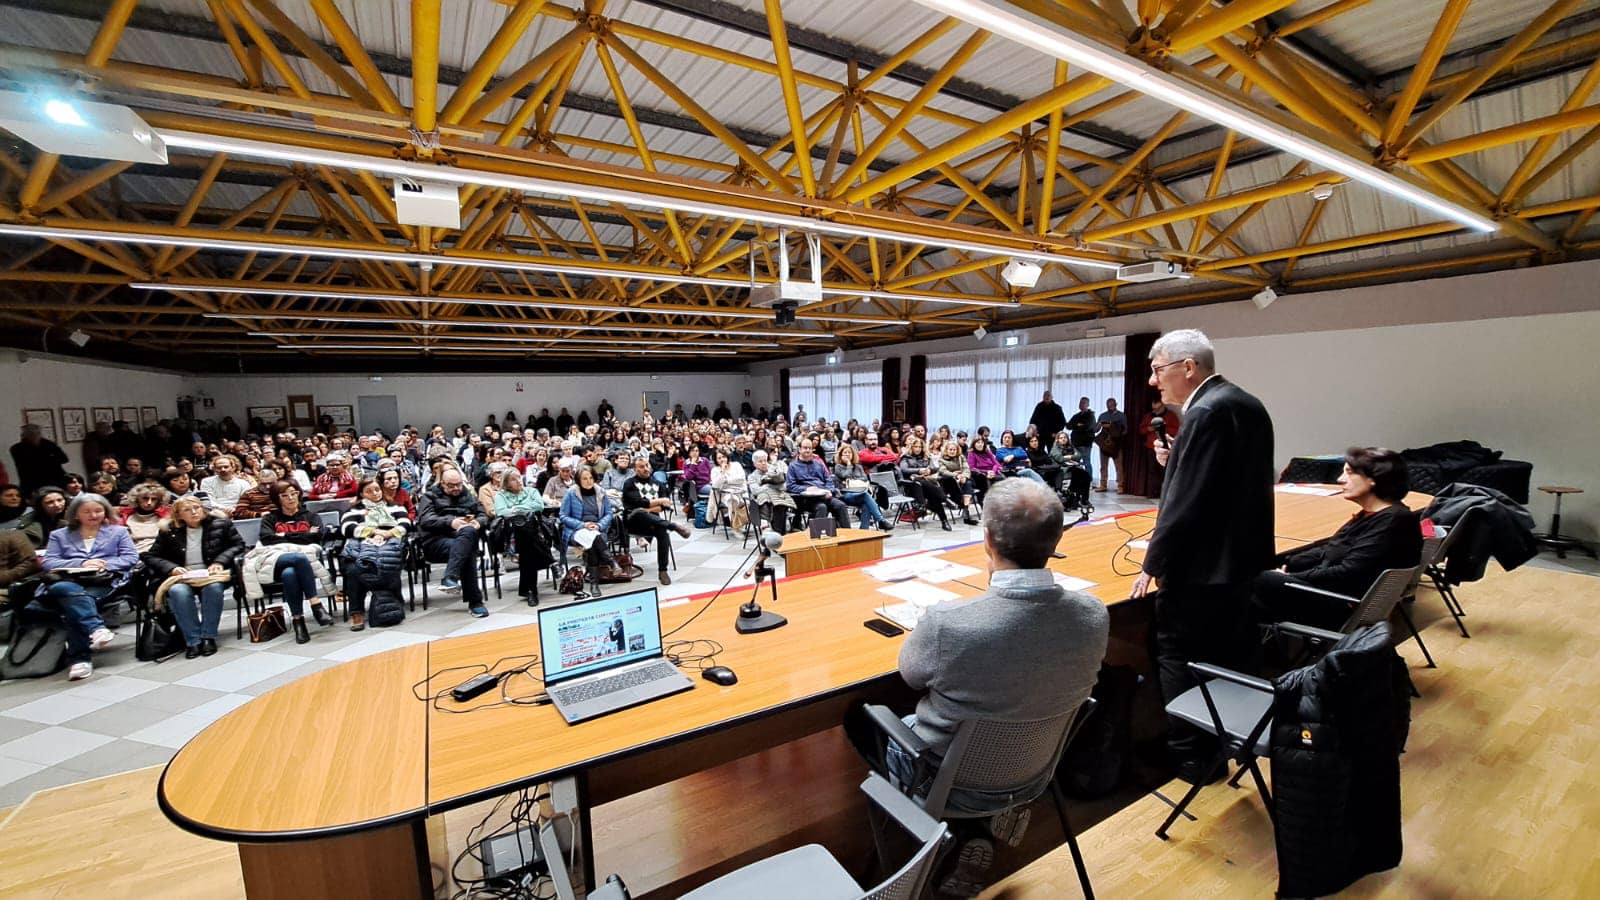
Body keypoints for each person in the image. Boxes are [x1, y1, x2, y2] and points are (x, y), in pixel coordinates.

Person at [843, 478, 1108, 889]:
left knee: (861, 714)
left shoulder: (950, 625)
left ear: (986, 539)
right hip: (1035, 771)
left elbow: (910, 675)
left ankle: (950, 832)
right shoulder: (1094, 614)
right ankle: (979, 829)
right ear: (1057, 538)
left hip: (947, 779)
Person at [1130, 329, 1275, 784]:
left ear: (1187, 366)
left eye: (1157, 370)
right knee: (1227, 656)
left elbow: (1187, 502)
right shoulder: (1245, 402)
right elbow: (1226, 480)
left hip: (1201, 570)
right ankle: (1224, 743)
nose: (1154, 382)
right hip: (1241, 562)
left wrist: (1152, 563)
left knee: (1177, 656)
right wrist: (1177, 459)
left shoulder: (1206, 412)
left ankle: (1190, 757)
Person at [1255, 448, 1423, 629]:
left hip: (1344, 604)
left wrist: (1290, 576)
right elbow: (1331, 550)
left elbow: (1347, 572)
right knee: (1257, 572)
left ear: (1373, 479)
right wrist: (1289, 562)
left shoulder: (1393, 521)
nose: (1340, 479)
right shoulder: (1378, 515)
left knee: (1254, 580)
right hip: (1337, 593)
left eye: (1349, 473)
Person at [35, 493, 138, 680]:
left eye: (98, 510)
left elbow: (130, 558)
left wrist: (103, 564)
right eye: (87, 511)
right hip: (68, 581)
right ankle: (95, 629)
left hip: (103, 581)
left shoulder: (118, 532)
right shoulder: (59, 535)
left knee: (72, 604)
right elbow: (49, 561)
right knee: (66, 591)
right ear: (76, 514)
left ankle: (80, 659)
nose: (93, 515)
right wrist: (81, 564)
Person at [144, 496, 244, 658]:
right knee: (178, 592)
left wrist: (220, 561)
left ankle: (208, 637)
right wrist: (172, 568)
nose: (194, 512)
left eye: (197, 508)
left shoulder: (220, 524)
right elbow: (151, 556)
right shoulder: (169, 531)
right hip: (183, 576)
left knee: (214, 588)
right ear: (178, 515)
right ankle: (193, 641)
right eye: (187, 510)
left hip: (211, 574)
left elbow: (239, 545)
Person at [257, 481, 336, 642]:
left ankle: (298, 621)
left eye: (293, 493)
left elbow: (318, 536)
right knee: (299, 558)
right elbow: (267, 539)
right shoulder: (270, 519)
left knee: (290, 574)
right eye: (284, 495)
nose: (290, 498)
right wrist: (304, 535)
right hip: (278, 559)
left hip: (301, 563)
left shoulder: (311, 516)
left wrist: (282, 537)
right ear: (277, 499)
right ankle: (315, 604)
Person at [339, 477, 412, 631]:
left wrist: (387, 534)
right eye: (369, 491)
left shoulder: (394, 507)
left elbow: (405, 525)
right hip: (361, 545)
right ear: (361, 493)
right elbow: (347, 528)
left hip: (389, 542)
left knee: (386, 561)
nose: (375, 494)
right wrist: (373, 531)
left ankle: (391, 603)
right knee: (354, 568)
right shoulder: (354, 510)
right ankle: (356, 611)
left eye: (377, 490)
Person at [417, 466, 490, 617]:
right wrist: (451, 522)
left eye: (459, 484)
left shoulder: (468, 495)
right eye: (451, 486)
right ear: (442, 483)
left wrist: (478, 522)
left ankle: (450, 577)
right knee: (467, 549)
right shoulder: (429, 496)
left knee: (468, 536)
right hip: (437, 541)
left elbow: (483, 514)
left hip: (462, 539)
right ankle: (475, 602)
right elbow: (425, 520)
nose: (457, 488)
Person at [623, 458, 693, 586]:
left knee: (662, 532)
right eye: (641, 467)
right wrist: (657, 502)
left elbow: (665, 505)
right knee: (639, 512)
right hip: (633, 522)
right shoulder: (629, 483)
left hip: (653, 522)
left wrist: (648, 508)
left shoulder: (658, 484)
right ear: (635, 469)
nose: (645, 469)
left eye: (647, 465)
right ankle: (673, 526)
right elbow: (637, 503)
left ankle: (663, 571)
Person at [559, 466, 619, 577]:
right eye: (585, 479)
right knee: (591, 537)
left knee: (592, 541)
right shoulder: (571, 493)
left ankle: (594, 580)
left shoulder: (601, 492)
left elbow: (609, 513)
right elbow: (563, 516)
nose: (589, 481)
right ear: (578, 480)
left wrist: (599, 525)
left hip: (597, 528)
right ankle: (611, 562)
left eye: (591, 478)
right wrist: (582, 524)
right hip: (577, 529)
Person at [786, 440, 852, 527]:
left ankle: (847, 534)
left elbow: (828, 480)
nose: (808, 450)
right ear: (799, 449)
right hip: (807, 499)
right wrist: (806, 489)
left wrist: (829, 491)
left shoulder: (818, 464)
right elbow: (790, 486)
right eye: (805, 448)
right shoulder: (793, 466)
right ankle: (817, 536)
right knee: (822, 507)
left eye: (810, 448)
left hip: (823, 495)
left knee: (841, 505)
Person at [897, 437, 953, 531]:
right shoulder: (905, 458)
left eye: (920, 447)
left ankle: (944, 521)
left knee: (934, 497)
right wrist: (919, 470)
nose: (918, 449)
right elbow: (904, 469)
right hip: (912, 487)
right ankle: (945, 499)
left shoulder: (926, 457)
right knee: (921, 482)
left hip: (927, 487)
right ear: (911, 447)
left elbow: (935, 468)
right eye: (915, 446)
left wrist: (929, 470)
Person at [833, 443, 890, 531]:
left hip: (859, 492)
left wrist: (851, 479)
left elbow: (864, 478)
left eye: (849, 453)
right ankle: (880, 520)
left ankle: (864, 530)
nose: (847, 455)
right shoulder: (838, 467)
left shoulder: (858, 467)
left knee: (866, 504)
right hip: (845, 494)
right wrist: (849, 465)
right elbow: (845, 475)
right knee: (865, 495)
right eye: (845, 453)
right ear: (840, 455)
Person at [11, 423, 70, 494]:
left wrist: (47, 460)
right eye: (31, 434)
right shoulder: (17, 448)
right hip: (33, 483)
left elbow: (64, 459)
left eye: (37, 433)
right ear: (25, 435)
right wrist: (50, 459)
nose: (35, 436)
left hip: (56, 479)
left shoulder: (48, 444)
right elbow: (27, 466)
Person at [747, 450, 796, 534]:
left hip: (779, 500)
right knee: (764, 497)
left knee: (779, 504)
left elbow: (784, 487)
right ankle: (771, 530)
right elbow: (755, 491)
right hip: (763, 503)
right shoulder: (752, 476)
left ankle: (777, 534)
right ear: (754, 464)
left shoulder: (775, 471)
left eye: (765, 460)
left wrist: (766, 486)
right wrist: (771, 487)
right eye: (760, 461)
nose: (763, 463)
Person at [935, 440, 980, 525]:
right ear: (946, 450)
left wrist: (964, 476)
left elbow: (967, 469)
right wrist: (956, 475)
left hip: (963, 480)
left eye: (954, 450)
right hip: (949, 482)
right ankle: (964, 509)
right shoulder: (942, 460)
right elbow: (943, 471)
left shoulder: (961, 457)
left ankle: (966, 511)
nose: (952, 451)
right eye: (950, 449)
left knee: (968, 483)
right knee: (953, 481)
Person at [119, 482, 170, 553]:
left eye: (154, 499)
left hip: (157, 554)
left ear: (159, 501)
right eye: (145, 498)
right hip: (131, 554)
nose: (149, 502)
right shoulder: (125, 517)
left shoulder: (165, 517)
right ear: (137, 499)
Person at [1095, 398, 1128, 493]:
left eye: (1112, 404)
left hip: (1116, 444)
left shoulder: (1121, 416)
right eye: (1108, 404)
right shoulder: (1103, 415)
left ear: (1116, 404)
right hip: (1104, 444)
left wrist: (1113, 427)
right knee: (1103, 466)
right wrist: (1100, 425)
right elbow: (1096, 430)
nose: (1110, 406)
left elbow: (1125, 430)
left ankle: (1120, 486)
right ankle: (1103, 485)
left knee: (1119, 466)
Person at [1066, 397, 1096, 466]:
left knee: (1086, 462)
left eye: (1083, 403)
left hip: (1085, 443)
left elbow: (1087, 427)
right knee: (1074, 462)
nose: (1081, 404)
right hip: (1075, 442)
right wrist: (1078, 425)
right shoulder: (1076, 416)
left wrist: (1076, 426)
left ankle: (1088, 476)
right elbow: (1068, 426)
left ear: (1088, 405)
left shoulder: (1090, 416)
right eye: (1080, 403)